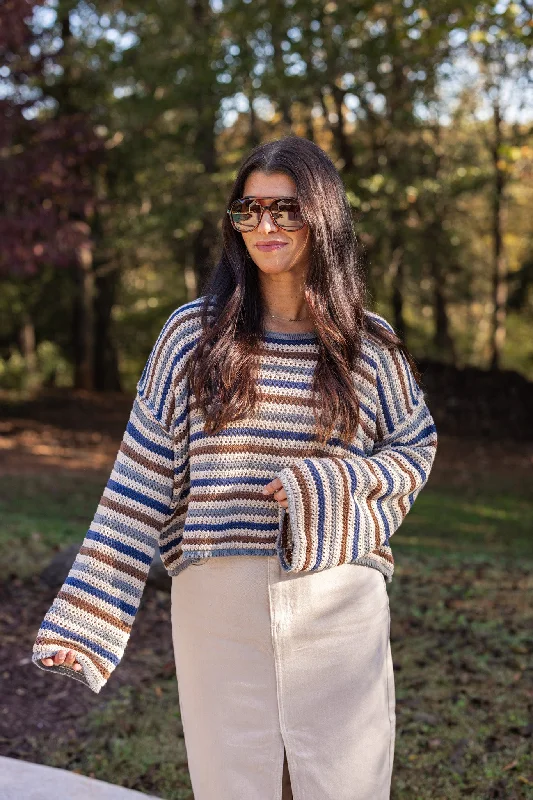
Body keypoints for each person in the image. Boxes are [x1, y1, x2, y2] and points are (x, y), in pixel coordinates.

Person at [32, 135, 438, 800]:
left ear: (323, 216)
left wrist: (327, 486)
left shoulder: (369, 346)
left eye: (285, 209)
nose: (264, 226)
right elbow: (139, 479)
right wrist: (90, 615)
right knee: (233, 785)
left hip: (337, 602)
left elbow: (414, 451)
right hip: (215, 603)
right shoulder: (191, 337)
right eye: (247, 210)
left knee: (342, 785)